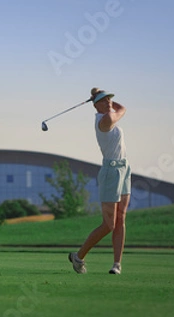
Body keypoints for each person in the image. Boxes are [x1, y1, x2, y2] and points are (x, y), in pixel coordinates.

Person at [68, 87, 131, 274]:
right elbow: (123, 109)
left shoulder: (107, 112)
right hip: (111, 172)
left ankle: (116, 265)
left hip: (125, 168)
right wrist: (98, 96)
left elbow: (118, 106)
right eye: (104, 101)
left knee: (121, 218)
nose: (109, 102)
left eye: (110, 99)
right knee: (108, 225)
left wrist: (98, 93)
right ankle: (78, 257)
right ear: (95, 106)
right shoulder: (105, 120)